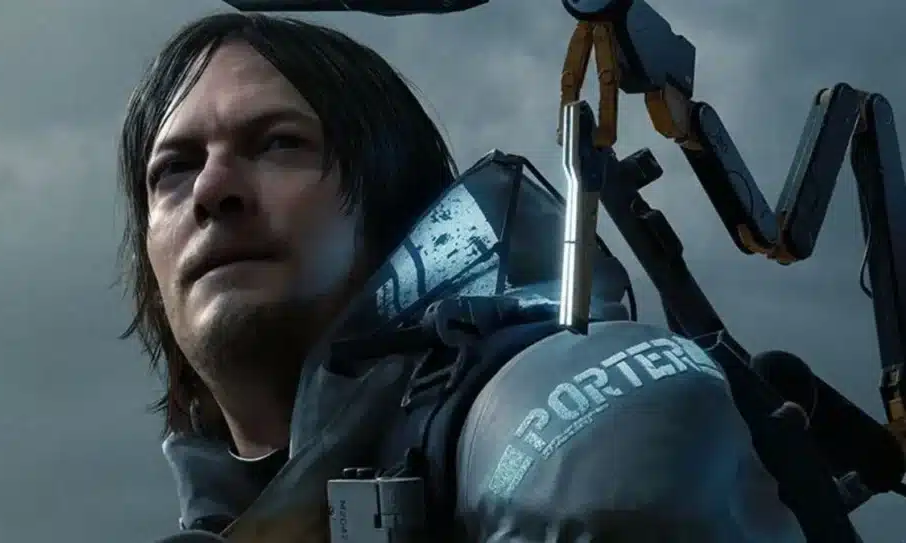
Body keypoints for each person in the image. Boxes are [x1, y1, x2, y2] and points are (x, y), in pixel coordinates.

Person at [117, 11, 814, 543]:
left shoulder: (539, 427)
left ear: (396, 210)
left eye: (277, 143)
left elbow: (623, 469)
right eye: (172, 168)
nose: (212, 189)